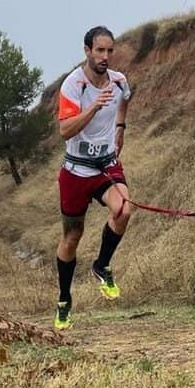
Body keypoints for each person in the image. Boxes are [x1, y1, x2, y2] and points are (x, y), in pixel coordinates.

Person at [54, 25, 132, 330]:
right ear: (87, 51)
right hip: (76, 170)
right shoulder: (73, 86)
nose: (106, 56)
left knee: (124, 209)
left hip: (106, 165)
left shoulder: (119, 80)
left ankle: (101, 265)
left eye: (110, 51)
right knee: (72, 237)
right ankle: (64, 299)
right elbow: (65, 130)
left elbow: (126, 97)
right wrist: (94, 107)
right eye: (100, 50)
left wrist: (120, 128)